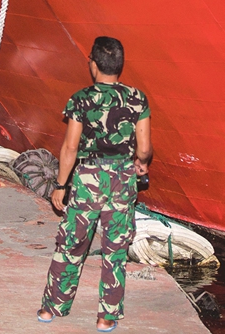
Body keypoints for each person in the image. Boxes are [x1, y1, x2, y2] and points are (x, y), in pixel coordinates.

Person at [39, 36, 153, 332]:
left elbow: (70, 148)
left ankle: (51, 309)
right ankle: (106, 317)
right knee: (115, 248)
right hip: (122, 180)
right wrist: (140, 162)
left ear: (93, 64)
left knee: (71, 243)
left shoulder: (81, 99)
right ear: (119, 64)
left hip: (88, 179)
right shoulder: (137, 98)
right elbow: (144, 148)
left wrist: (60, 185)